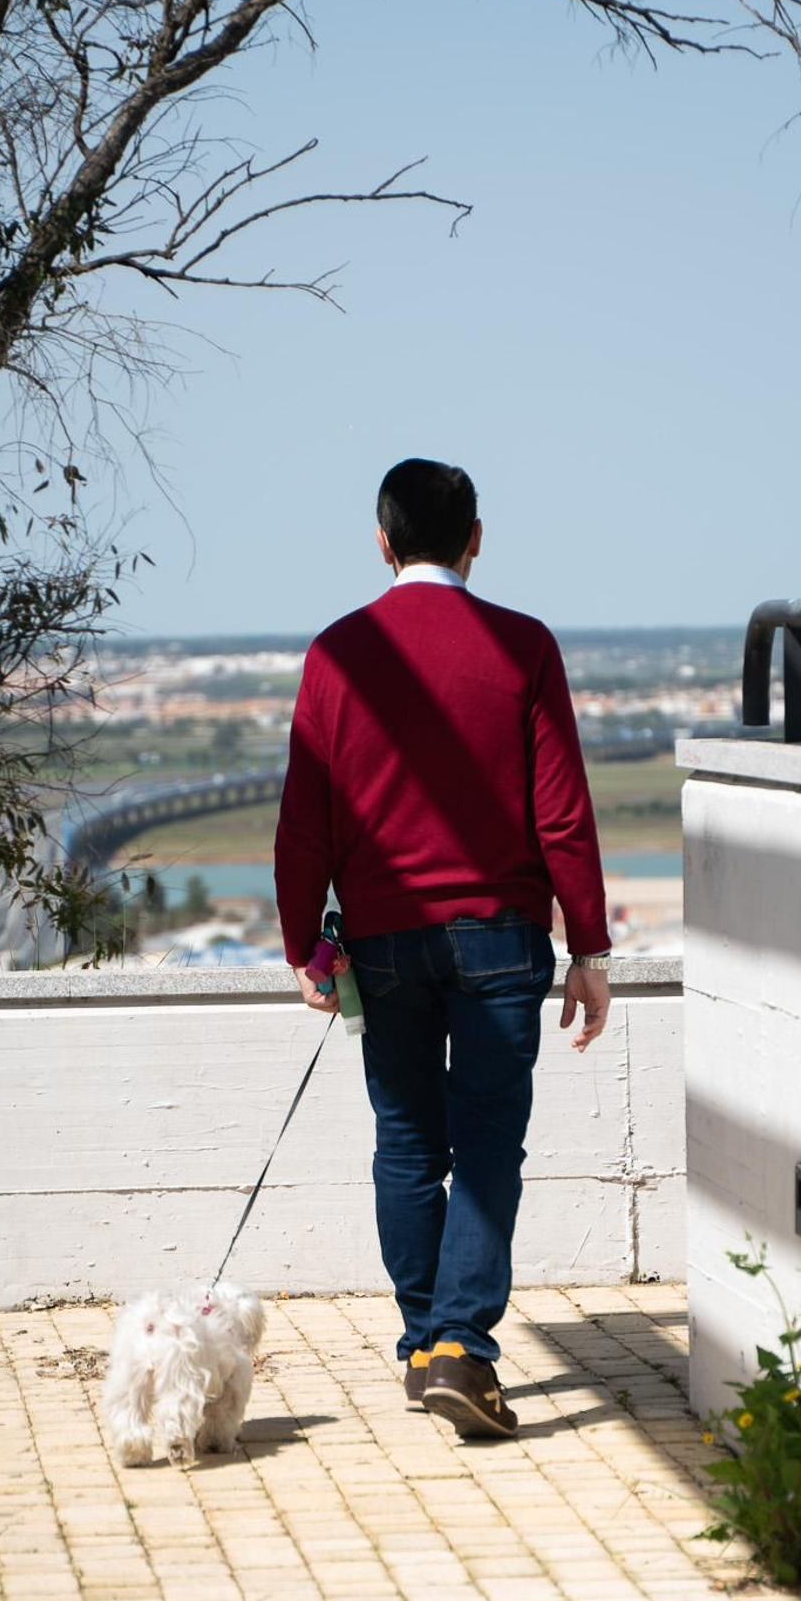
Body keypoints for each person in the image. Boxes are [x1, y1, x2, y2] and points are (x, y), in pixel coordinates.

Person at [273, 459, 611, 1440]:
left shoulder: (336, 654)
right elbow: (563, 813)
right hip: (503, 937)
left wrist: (306, 944)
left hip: (381, 938)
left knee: (409, 1140)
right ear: (476, 538)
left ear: (383, 542)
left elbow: (306, 820)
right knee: (488, 1144)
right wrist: (587, 943)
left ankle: (426, 1343)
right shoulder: (522, 646)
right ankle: (458, 1343)